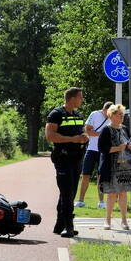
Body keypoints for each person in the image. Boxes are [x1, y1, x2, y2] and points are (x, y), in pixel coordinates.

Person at [45, 87, 98, 238]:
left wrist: (84, 136)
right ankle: (69, 227)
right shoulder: (56, 114)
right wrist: (72, 139)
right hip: (63, 157)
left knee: (70, 192)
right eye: (80, 97)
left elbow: (82, 132)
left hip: (77, 157)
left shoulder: (79, 115)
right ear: (72, 98)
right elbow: (50, 136)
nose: (82, 100)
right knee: (67, 192)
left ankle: (59, 225)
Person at [97, 104, 131, 231]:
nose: (122, 116)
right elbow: (101, 148)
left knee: (123, 193)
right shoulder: (106, 130)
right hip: (111, 166)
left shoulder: (125, 128)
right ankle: (107, 220)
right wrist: (117, 148)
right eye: (119, 114)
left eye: (122, 114)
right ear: (112, 115)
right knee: (112, 194)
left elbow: (130, 142)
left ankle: (124, 220)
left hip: (125, 166)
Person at [75, 101, 113, 210]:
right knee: (85, 175)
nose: (109, 115)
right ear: (104, 109)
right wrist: (103, 133)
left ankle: (101, 202)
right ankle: (80, 200)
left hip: (104, 151)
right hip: (91, 149)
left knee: (101, 176)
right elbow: (88, 131)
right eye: (108, 112)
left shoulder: (113, 117)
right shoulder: (94, 114)